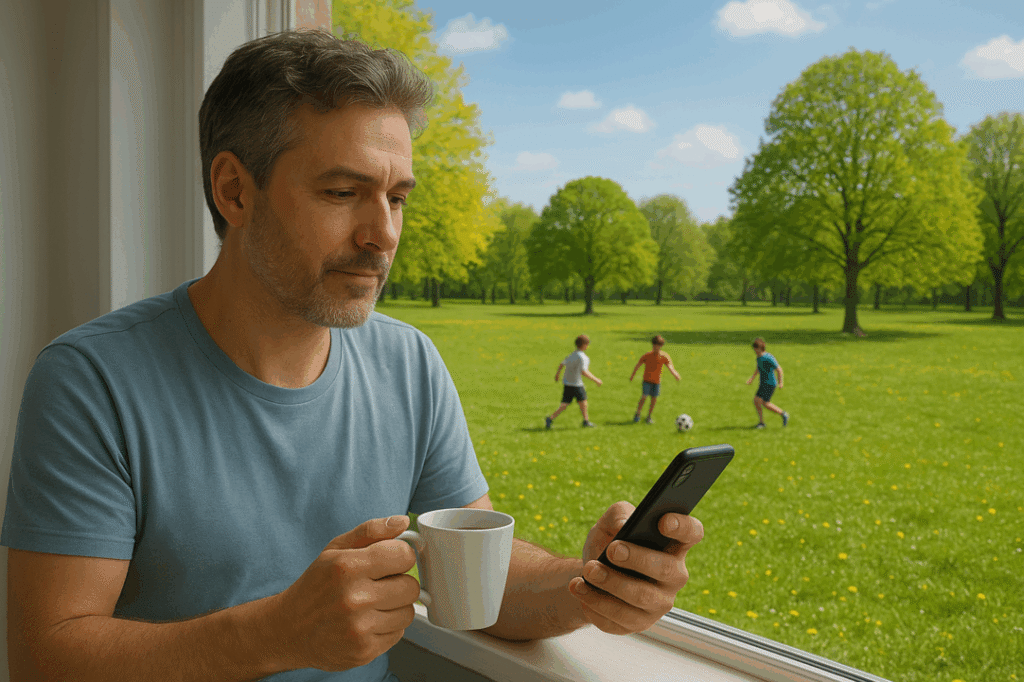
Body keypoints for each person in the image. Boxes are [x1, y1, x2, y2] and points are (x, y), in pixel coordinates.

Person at [1, 31, 704, 682]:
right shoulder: (91, 381)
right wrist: (275, 633)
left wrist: (593, 583)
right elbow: (45, 654)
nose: (383, 235)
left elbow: (477, 585)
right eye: (343, 193)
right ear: (234, 190)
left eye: (397, 198)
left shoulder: (409, 363)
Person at [545, 334, 603, 429]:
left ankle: (550, 419)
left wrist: (557, 375)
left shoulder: (572, 354)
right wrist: (596, 380)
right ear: (584, 345)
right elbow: (584, 372)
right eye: (587, 344)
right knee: (583, 402)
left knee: (566, 404)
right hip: (576, 384)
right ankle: (586, 421)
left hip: (567, 382)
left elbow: (561, 364)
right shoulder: (583, 357)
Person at [628, 334, 681, 424]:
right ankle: (637, 414)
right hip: (647, 380)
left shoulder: (664, 356)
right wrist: (632, 375)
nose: (656, 348)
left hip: (656, 382)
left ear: (661, 346)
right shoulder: (647, 355)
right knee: (644, 396)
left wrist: (675, 374)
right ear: (652, 345)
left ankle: (649, 417)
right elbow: (638, 365)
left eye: (658, 346)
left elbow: (670, 367)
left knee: (654, 399)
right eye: (654, 346)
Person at [745, 337, 790, 429]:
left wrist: (780, 382)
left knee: (764, 403)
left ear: (759, 348)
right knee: (757, 401)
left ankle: (783, 414)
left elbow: (779, 369)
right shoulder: (759, 357)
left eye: (755, 348)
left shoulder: (768, 357)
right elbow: (758, 368)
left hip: (769, 383)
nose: (754, 350)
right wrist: (752, 378)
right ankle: (762, 422)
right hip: (763, 383)